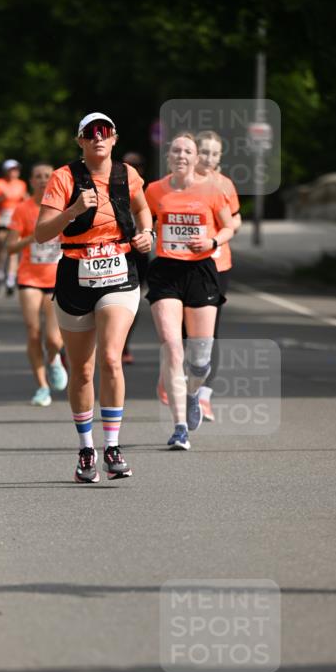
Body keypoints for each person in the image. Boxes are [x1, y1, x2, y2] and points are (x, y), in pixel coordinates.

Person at [35, 112, 153, 482]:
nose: (98, 138)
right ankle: (87, 449)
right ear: (81, 141)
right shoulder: (64, 177)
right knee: (82, 369)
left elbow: (142, 208)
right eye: (91, 133)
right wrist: (73, 210)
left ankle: (113, 447)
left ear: (114, 138)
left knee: (110, 358)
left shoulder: (128, 175)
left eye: (105, 132)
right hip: (74, 272)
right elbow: (41, 233)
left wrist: (146, 232)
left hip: (119, 270)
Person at [144, 133, 236, 450]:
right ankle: (179, 427)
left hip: (201, 272)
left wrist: (212, 242)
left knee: (200, 359)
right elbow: (143, 221)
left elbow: (228, 226)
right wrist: (143, 235)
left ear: (196, 158)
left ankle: (194, 391)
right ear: (168, 156)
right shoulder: (154, 190)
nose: (181, 155)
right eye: (176, 150)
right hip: (166, 271)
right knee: (172, 345)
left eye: (188, 151)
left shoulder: (212, 189)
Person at [7, 163, 68, 406]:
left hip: (56, 279)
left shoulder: (62, 207)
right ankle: (42, 386)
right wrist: (32, 237)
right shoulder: (22, 210)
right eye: (38, 176)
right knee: (33, 331)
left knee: (54, 339)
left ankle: (53, 359)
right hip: (29, 279)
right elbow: (10, 247)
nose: (43, 180)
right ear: (30, 181)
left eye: (47, 176)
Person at [193, 130, 242, 421]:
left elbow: (235, 218)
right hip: (184, 265)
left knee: (210, 334)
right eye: (204, 151)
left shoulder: (224, 185)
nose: (209, 157)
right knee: (187, 334)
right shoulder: (181, 183)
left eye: (214, 153)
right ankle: (180, 387)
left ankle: (204, 396)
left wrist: (227, 229)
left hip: (217, 265)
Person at [121, 151, 149, 365]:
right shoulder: (110, 184)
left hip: (138, 253)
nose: (133, 168)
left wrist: (148, 235)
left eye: (137, 164)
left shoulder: (148, 191)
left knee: (132, 301)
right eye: (129, 164)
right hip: (111, 251)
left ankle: (124, 345)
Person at [0, 160, 28, 295]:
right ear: (5, 171)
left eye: (16, 169)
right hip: (0, 220)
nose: (14, 172)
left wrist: (26, 200)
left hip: (15, 222)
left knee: (13, 250)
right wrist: (1, 198)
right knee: (1, 249)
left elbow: (26, 202)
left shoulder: (21, 184)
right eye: (11, 170)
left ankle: (10, 280)